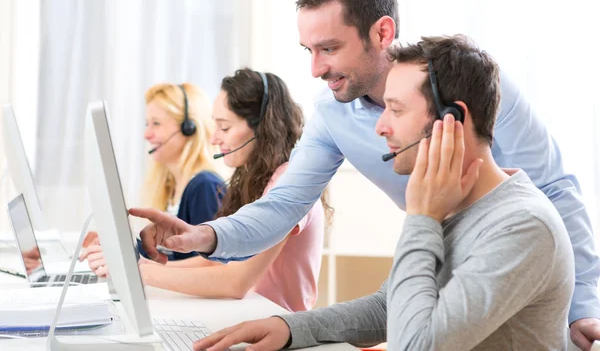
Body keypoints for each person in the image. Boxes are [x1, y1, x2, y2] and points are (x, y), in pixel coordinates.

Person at [132, 0, 600, 349]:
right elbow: (283, 209)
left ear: (382, 33)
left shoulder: (477, 104)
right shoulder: (335, 117)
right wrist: (206, 239)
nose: (315, 68)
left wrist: (583, 306)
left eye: (329, 48)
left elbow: (553, 191)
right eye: (308, 50)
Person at [191, 34, 576, 350]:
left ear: (451, 121)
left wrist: (421, 217)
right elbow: (390, 307)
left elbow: (415, 344)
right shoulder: (460, 206)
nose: (380, 127)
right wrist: (289, 328)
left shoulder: (521, 225)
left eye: (396, 110)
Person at [132, 69, 328, 312]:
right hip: (252, 317)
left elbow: (235, 281)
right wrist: (142, 267)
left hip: (279, 327)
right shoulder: (256, 181)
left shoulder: (287, 183)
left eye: (224, 128)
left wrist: (142, 273)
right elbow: (218, 265)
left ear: (262, 128)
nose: (214, 139)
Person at [80, 83, 225, 275]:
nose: (147, 134)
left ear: (188, 128)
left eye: (156, 124)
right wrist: (119, 248)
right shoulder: (172, 185)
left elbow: (210, 265)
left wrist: (138, 266)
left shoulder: (204, 186)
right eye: (147, 124)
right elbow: (171, 257)